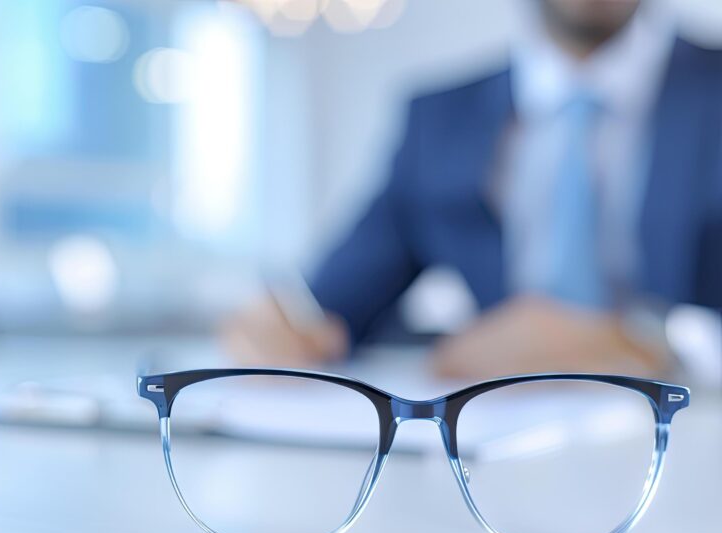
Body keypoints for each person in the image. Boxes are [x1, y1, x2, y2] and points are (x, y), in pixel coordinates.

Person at [222, 0, 722, 380]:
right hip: (496, 449)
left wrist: (659, 341)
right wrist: (287, 328)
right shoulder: (439, 121)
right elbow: (331, 309)